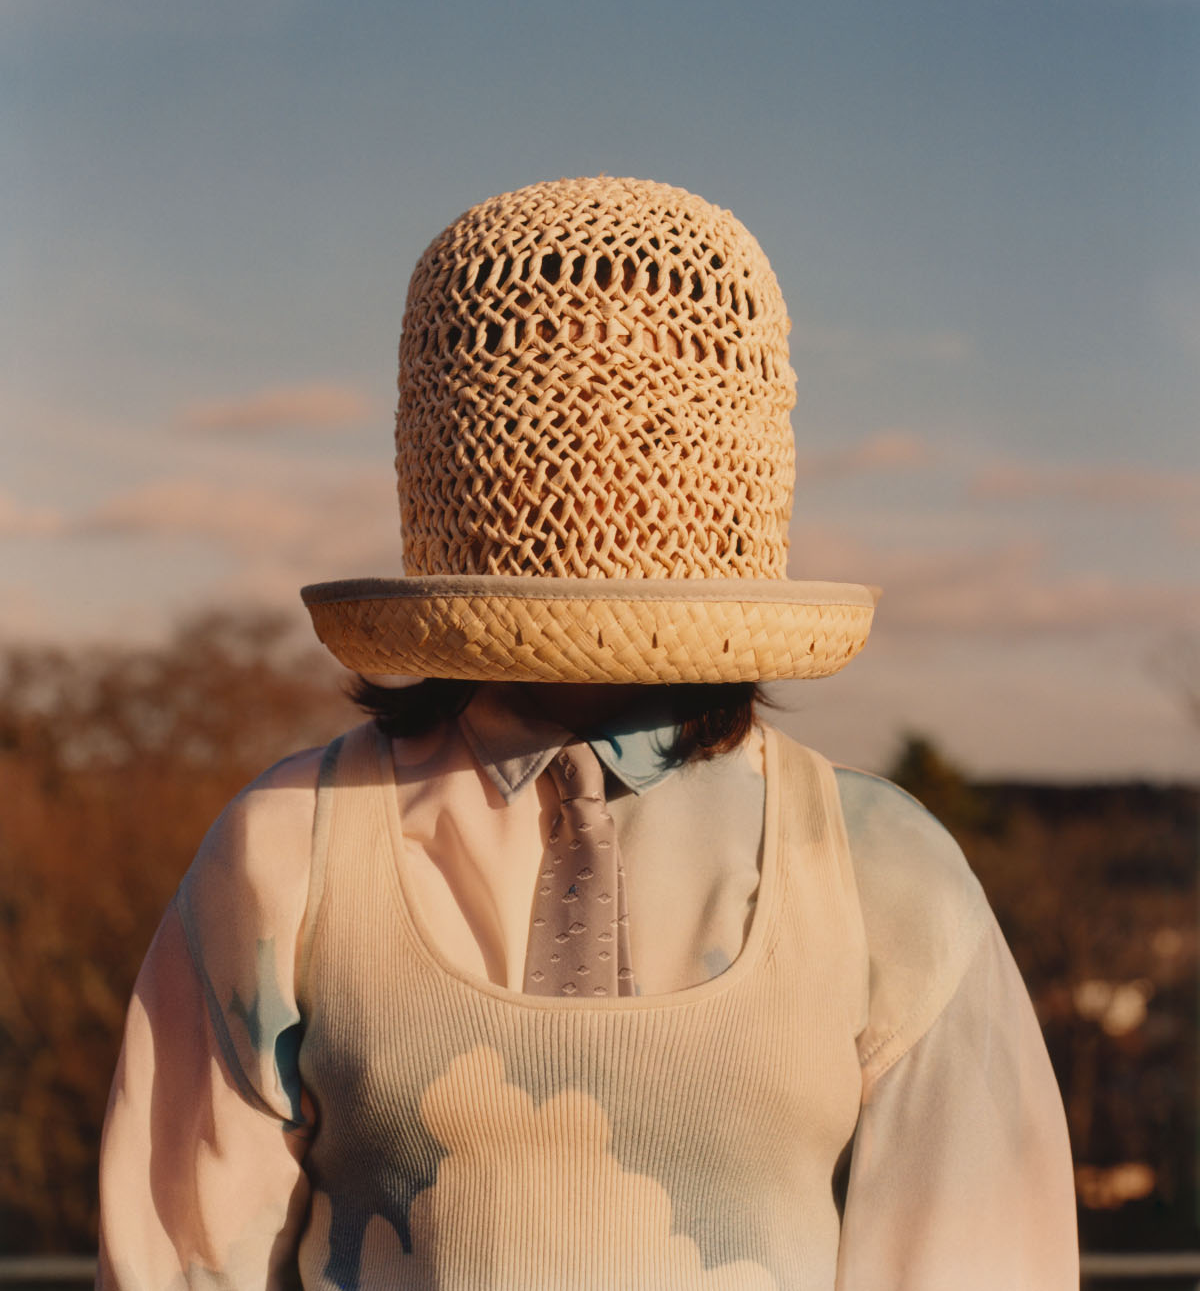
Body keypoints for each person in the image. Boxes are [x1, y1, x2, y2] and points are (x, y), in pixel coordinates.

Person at [97, 177, 1078, 1289]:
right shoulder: (284, 852)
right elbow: (177, 1262)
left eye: (646, 408)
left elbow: (981, 1261)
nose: (601, 440)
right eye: (550, 407)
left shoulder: (881, 872)